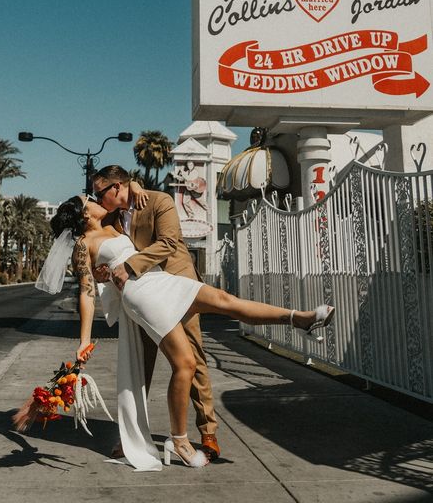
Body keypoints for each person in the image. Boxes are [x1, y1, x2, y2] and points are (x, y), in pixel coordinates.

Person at [48, 194, 335, 470]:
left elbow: (128, 192)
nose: (96, 201)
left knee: (225, 300)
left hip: (161, 279)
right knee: (184, 365)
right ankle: (180, 442)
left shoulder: (114, 224)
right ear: (84, 213)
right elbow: (87, 293)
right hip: (141, 294)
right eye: (90, 200)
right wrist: (84, 339)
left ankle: (300, 319)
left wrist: (134, 185)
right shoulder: (84, 245)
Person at [92, 165, 220, 462]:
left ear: (116, 187)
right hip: (141, 296)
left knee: (194, 359)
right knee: (139, 364)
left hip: (177, 286)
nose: (96, 199)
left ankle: (208, 432)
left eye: (100, 192)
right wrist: (103, 273)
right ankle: (132, 437)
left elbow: (169, 242)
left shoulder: (158, 201)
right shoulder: (108, 218)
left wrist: (129, 266)